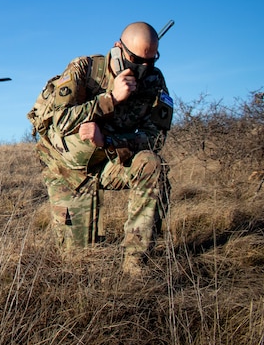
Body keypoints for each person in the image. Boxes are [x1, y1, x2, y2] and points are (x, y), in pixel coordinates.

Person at [33, 22, 173, 276]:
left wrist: (108, 142)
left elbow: (156, 138)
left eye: (149, 61)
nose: (142, 68)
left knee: (152, 163)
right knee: (79, 263)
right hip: (69, 169)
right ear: (118, 48)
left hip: (111, 161)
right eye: (135, 60)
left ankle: (136, 263)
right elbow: (60, 120)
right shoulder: (85, 69)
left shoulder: (154, 81)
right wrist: (110, 99)